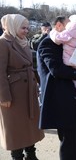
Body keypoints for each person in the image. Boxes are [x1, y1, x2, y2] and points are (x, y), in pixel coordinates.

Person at [37, 16, 76, 160]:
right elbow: (56, 70)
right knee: (68, 140)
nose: (72, 29)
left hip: (72, 98)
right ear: (59, 25)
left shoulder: (64, 42)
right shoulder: (47, 43)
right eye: (69, 25)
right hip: (60, 98)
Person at [0, 14, 44, 160]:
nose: (26, 31)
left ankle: (31, 155)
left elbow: (30, 66)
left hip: (28, 91)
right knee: (15, 127)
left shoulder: (23, 41)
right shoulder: (3, 42)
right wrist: (4, 96)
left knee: (29, 125)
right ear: (13, 26)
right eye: (23, 27)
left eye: (27, 27)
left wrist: (37, 84)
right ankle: (17, 156)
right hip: (14, 93)